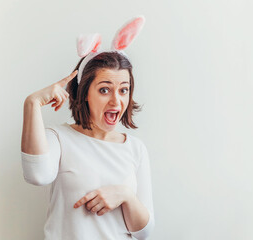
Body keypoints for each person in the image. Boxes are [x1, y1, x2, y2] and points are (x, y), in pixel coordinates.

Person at [20, 17, 154, 240]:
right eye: (104, 90)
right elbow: (37, 175)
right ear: (84, 94)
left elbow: (144, 232)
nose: (116, 101)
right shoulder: (59, 138)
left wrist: (125, 195)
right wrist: (31, 103)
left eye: (123, 90)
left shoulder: (136, 149)